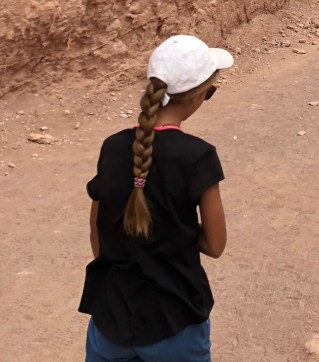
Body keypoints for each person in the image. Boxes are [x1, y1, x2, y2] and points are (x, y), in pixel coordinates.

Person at [79, 34, 234, 362]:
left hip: (111, 318)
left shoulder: (112, 147)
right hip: (174, 320)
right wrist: (175, 228)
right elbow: (215, 245)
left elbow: (97, 231)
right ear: (196, 97)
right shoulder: (197, 157)